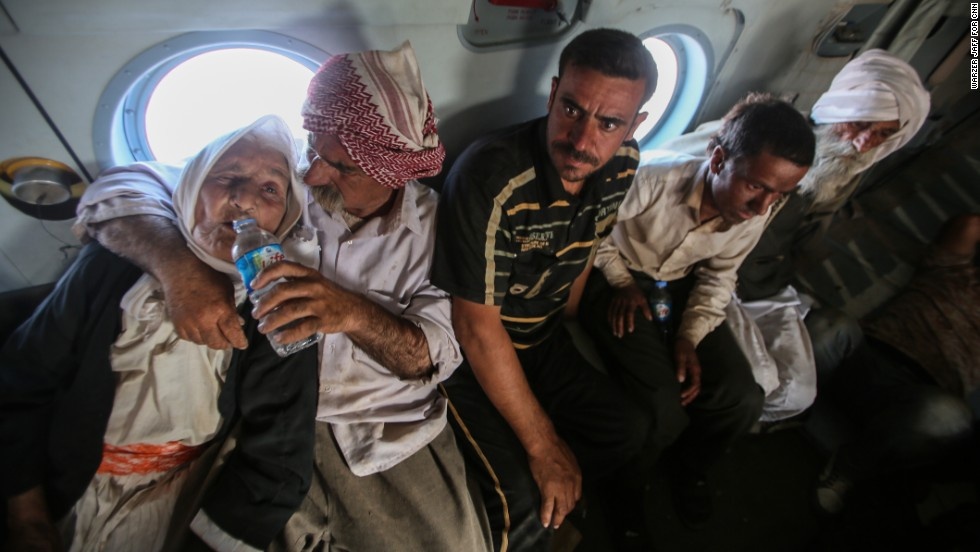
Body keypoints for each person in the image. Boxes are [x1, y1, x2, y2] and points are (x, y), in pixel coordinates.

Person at [68, 43, 491, 552]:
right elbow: (119, 189)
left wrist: (351, 313)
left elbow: (432, 357)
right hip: (263, 421)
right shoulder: (272, 177)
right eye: (314, 148)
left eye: (341, 167)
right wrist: (181, 272)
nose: (313, 175)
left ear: (391, 174)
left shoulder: (439, 229)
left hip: (384, 431)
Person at [1, 115, 319, 552]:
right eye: (228, 177)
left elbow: (280, 456)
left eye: (270, 189)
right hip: (61, 480)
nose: (244, 199)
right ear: (190, 188)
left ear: (286, 217)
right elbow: (20, 384)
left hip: (182, 498)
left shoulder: (277, 301)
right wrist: (28, 521)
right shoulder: (110, 266)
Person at [432, 28, 657, 551]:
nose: (582, 140)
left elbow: (590, 238)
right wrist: (543, 445)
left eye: (609, 123)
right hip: (472, 354)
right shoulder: (491, 177)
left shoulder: (624, 162)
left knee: (630, 428)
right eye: (572, 109)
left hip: (544, 338)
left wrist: (571, 316)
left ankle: (577, 504)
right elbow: (475, 327)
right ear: (553, 94)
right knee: (521, 496)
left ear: (634, 126)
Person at [578, 92, 815, 526]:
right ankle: (625, 486)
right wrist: (622, 281)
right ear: (719, 160)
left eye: (779, 195)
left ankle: (690, 469)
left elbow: (719, 277)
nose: (762, 208)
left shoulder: (754, 213)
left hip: (676, 284)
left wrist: (689, 335)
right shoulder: (655, 180)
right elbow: (590, 229)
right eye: (756, 186)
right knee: (663, 406)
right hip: (615, 276)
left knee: (742, 398)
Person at [723, 49, 931, 423]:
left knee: (797, 393)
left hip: (765, 288)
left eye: (883, 134)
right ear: (839, 108)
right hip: (718, 275)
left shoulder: (844, 172)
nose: (864, 143)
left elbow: (802, 241)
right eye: (860, 124)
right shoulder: (768, 132)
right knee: (755, 381)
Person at [814, 213, 979, 515]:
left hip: (916, 399)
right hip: (864, 355)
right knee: (828, 325)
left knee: (949, 415)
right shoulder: (954, 270)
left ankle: (848, 469)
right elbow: (970, 225)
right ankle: (787, 404)